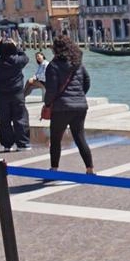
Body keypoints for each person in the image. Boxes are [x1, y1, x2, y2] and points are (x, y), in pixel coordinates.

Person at [43, 35, 93, 175]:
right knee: (80, 137)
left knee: (56, 138)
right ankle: (90, 168)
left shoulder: (53, 66)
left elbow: (51, 90)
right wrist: (79, 95)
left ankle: (54, 168)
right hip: (80, 106)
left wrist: (47, 104)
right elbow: (87, 82)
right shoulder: (78, 64)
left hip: (61, 108)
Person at [0, 38, 30, 151]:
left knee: (4, 120)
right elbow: (25, 56)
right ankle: (23, 143)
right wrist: (16, 46)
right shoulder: (18, 61)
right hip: (17, 94)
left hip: (2, 94)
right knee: (20, 118)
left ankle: (7, 144)